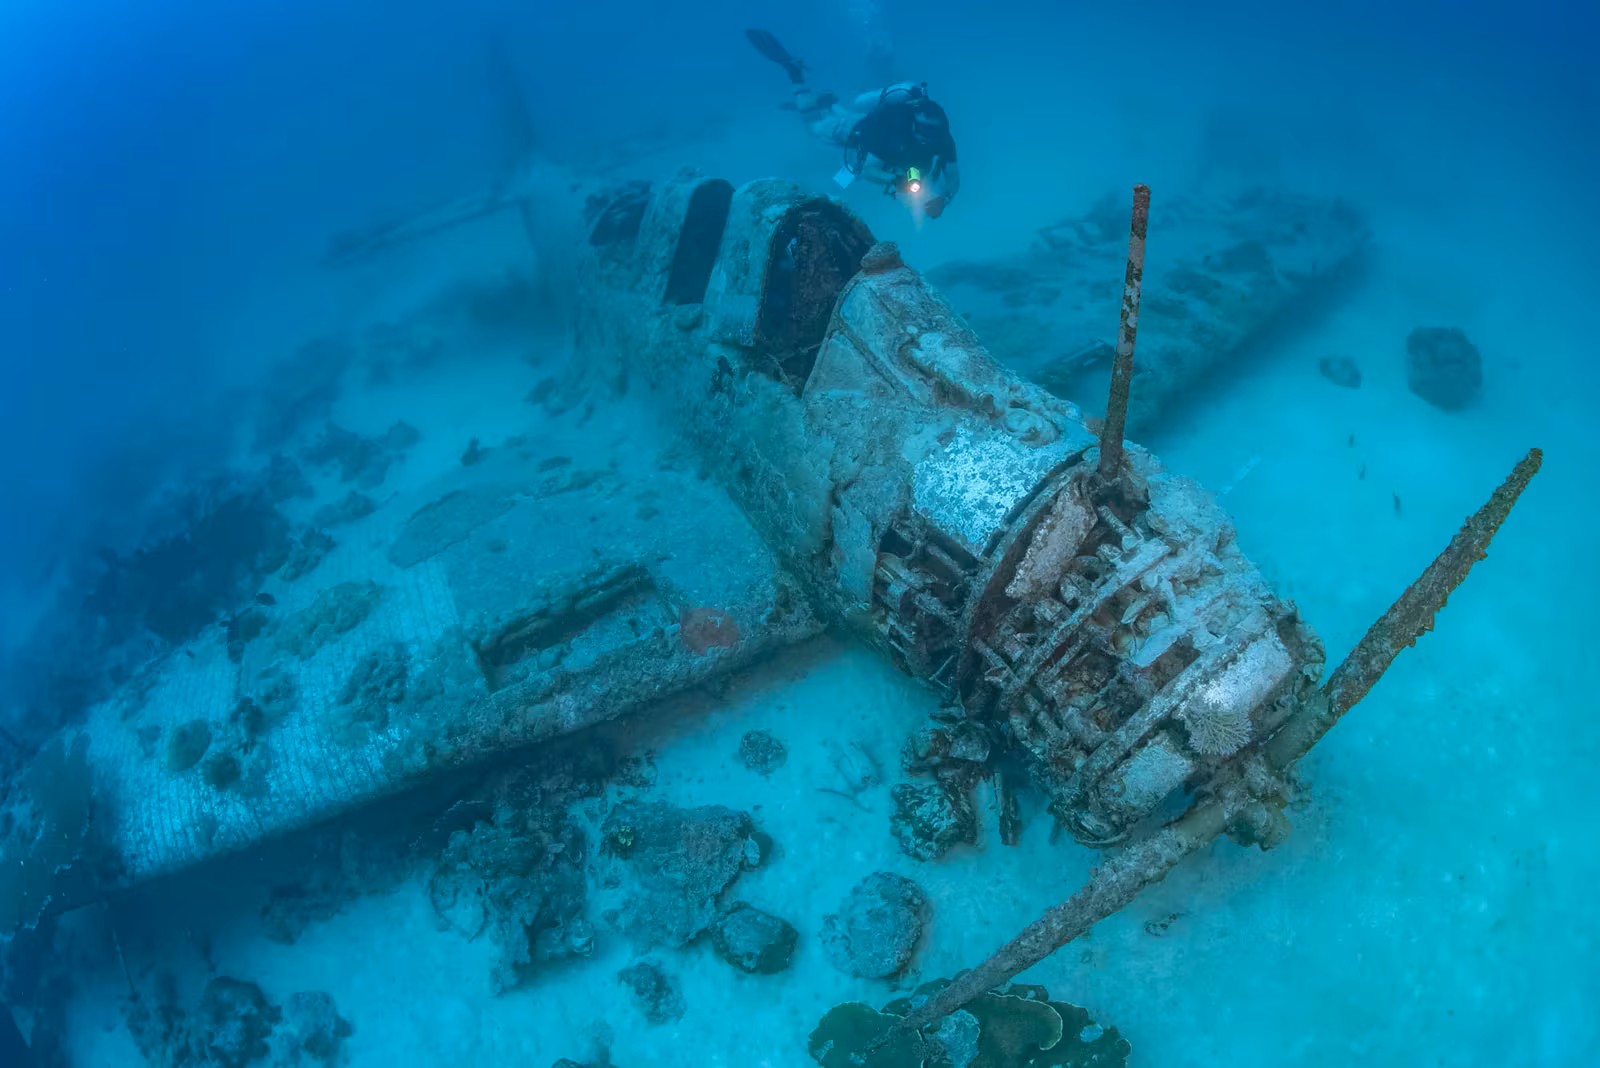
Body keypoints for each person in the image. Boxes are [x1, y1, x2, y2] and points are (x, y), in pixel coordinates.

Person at [745, 29, 961, 219]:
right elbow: (866, 169)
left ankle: (829, 103)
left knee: (844, 167)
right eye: (922, 129)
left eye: (933, 132)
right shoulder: (895, 137)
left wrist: (945, 198)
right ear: (914, 122)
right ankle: (795, 73)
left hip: (865, 130)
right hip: (853, 133)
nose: (926, 136)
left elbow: (952, 177)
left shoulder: (942, 142)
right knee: (813, 128)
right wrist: (894, 181)